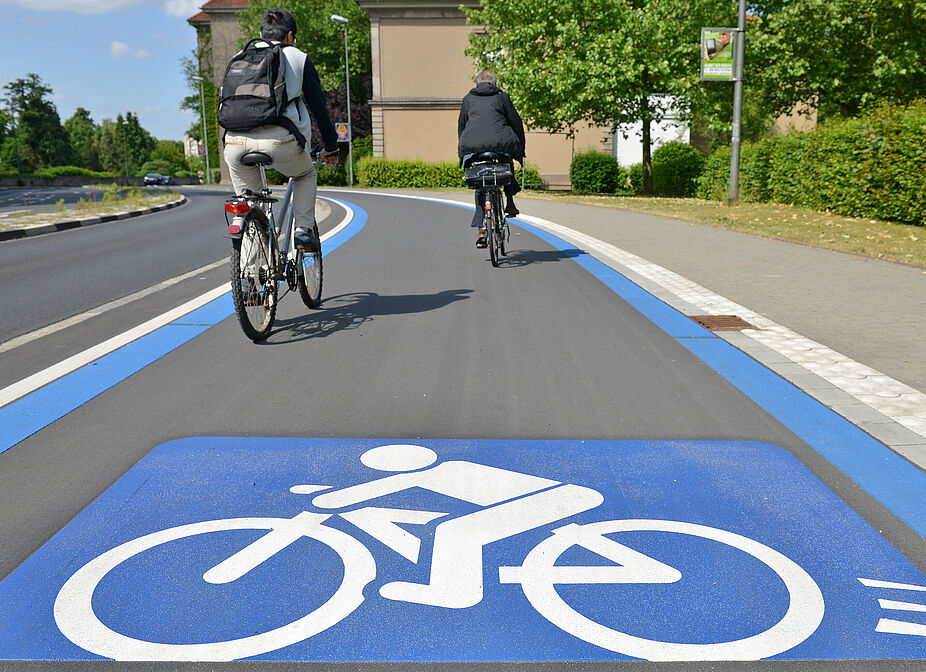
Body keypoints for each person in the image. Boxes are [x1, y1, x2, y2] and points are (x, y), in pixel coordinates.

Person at [222, 8, 340, 251]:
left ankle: (253, 268)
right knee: (305, 175)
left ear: (261, 35)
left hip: (234, 142)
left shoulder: (239, 57)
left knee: (250, 206)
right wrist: (331, 147)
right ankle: (303, 230)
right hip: (280, 141)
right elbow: (319, 108)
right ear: (290, 36)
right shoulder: (298, 57)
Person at [457, 70, 526, 248]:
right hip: (500, 146)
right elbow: (516, 122)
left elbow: (461, 125)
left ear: (477, 83)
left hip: (472, 147)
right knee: (506, 164)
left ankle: (481, 227)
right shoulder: (502, 98)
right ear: (494, 83)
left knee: (479, 180)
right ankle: (510, 202)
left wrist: (463, 148)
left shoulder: (467, 99)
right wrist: (520, 148)